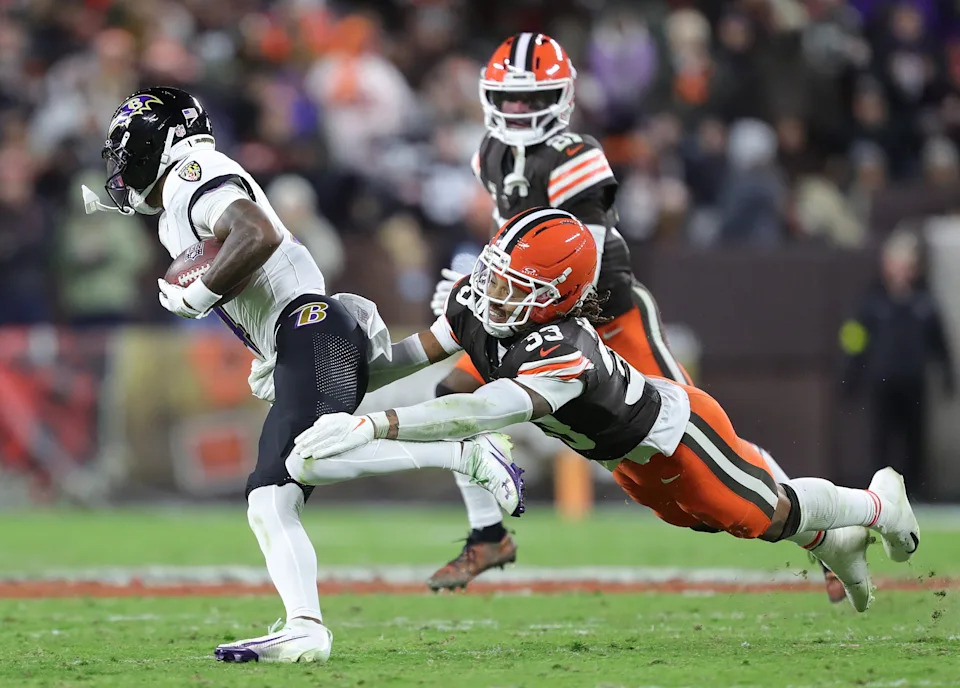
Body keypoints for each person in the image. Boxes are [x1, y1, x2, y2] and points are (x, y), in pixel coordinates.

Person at [290, 207, 921, 614]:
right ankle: (833, 541)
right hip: (627, 461)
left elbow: (480, 411)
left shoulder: (564, 351)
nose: (492, 292)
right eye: (494, 275)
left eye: (514, 286)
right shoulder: (477, 304)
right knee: (730, 523)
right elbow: (409, 357)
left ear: (555, 297)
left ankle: (875, 505)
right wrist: (331, 363)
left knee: (763, 510)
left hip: (678, 436)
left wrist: (374, 423)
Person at [84, 87, 522, 664]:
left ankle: (459, 451)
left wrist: (202, 293)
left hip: (308, 326)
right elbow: (374, 367)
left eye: (129, 150)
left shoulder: (194, 172)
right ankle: (305, 628)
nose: (123, 166)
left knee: (287, 475)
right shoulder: (175, 208)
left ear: (159, 144)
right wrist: (447, 335)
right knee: (273, 496)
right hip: (311, 332)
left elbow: (258, 233)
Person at [428, 31, 844, 602]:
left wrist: (485, 290)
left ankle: (819, 529)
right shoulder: (491, 154)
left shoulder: (576, 158)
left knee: (703, 444)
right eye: (510, 98)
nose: (518, 110)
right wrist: (483, 287)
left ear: (562, 97)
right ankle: (488, 534)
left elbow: (587, 264)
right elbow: (513, 243)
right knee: (450, 396)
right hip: (529, 313)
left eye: (531, 98)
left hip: (605, 314)